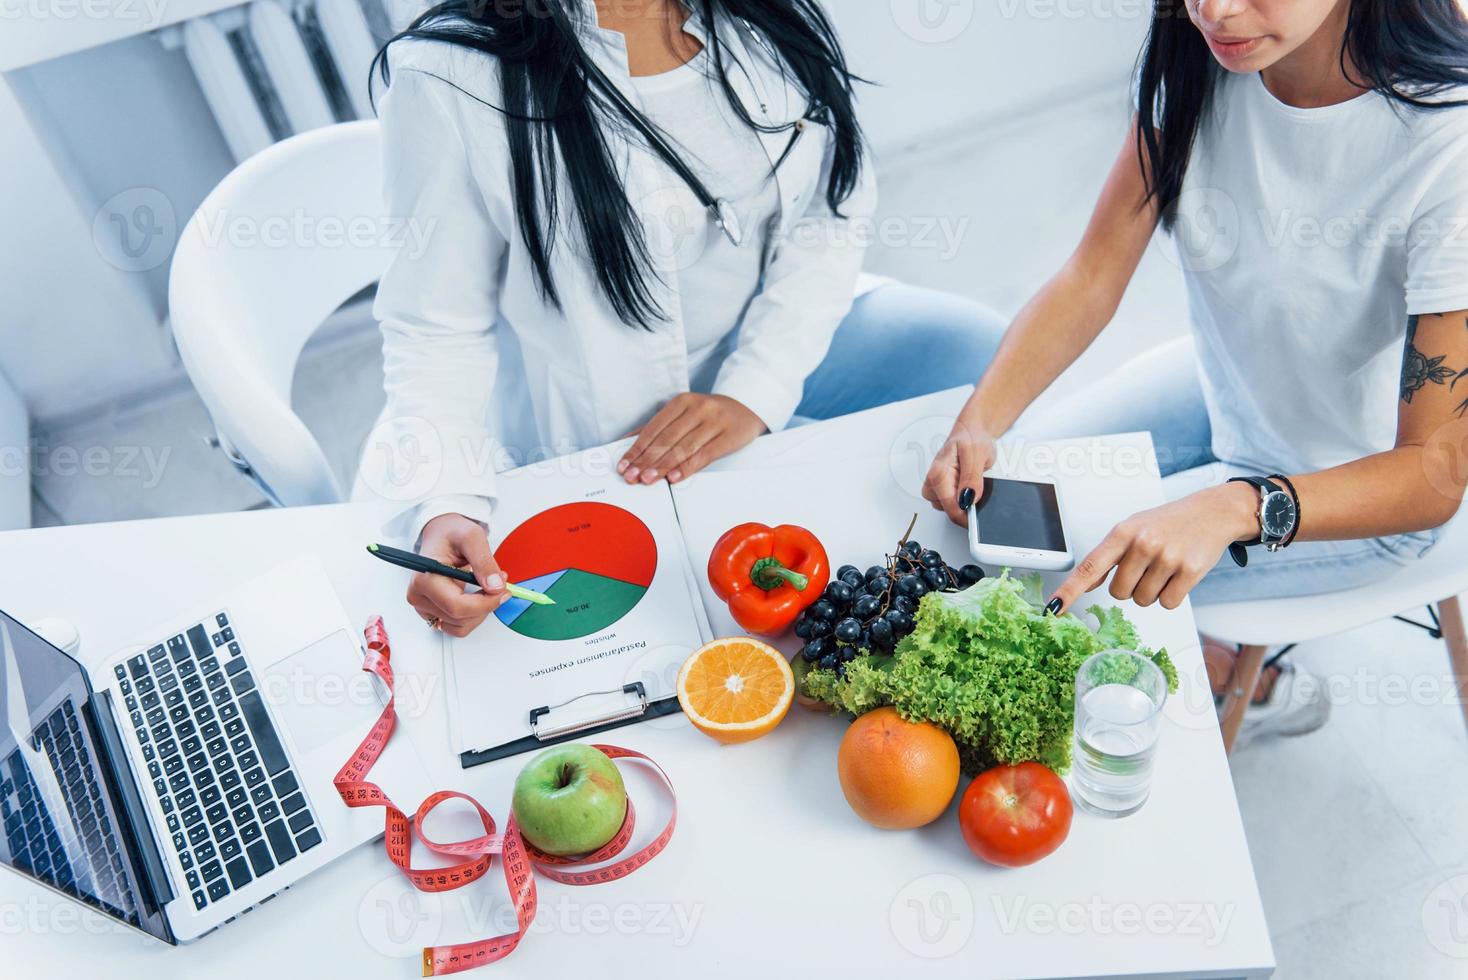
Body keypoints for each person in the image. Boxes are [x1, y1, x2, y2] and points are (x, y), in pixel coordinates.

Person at [366, 0, 1004, 638]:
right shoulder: (448, 76)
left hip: (763, 343)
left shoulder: (754, 17)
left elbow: (828, 213)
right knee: (744, 605)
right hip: (627, 430)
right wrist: (443, 502)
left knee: (977, 355)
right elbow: (434, 326)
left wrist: (753, 392)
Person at [923, 0, 1468, 741]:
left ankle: (1252, 684)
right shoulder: (1201, 58)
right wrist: (980, 420)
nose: (1214, 9)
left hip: (1359, 488)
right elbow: (1092, 275)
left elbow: (1431, 476)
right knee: (994, 516)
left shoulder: (1447, 142)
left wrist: (1235, 506)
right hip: (1226, 390)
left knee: (1046, 586)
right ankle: (1215, 655)